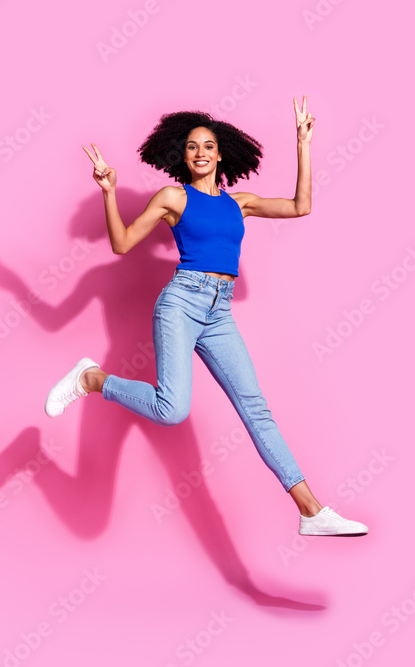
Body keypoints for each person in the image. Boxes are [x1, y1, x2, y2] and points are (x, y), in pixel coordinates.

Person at [45, 96, 367, 536]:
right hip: (181, 303)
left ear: (221, 154)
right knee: (172, 409)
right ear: (184, 155)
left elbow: (299, 205)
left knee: (257, 410)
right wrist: (109, 191)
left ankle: (311, 510)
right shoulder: (173, 197)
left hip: (220, 311)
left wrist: (303, 144)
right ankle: (93, 379)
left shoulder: (241, 203)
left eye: (208, 146)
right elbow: (122, 244)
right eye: (192, 147)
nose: (200, 153)